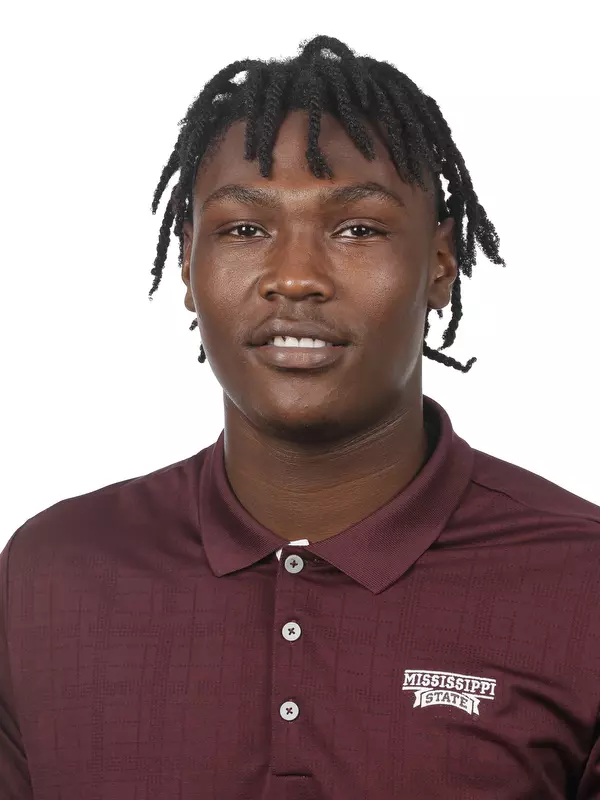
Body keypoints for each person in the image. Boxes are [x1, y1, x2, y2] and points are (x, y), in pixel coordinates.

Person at [1, 34, 599, 800]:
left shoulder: (581, 580)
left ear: (440, 265)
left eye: (358, 229)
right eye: (245, 229)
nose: (295, 278)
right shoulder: (49, 575)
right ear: (187, 262)